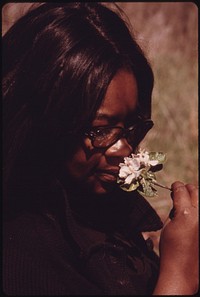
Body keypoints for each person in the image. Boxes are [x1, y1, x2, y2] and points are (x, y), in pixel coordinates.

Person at [3, 3, 198, 295]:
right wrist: (178, 278)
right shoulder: (24, 251)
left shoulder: (98, 209)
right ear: (45, 125)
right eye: (100, 129)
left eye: (132, 125)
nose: (124, 149)